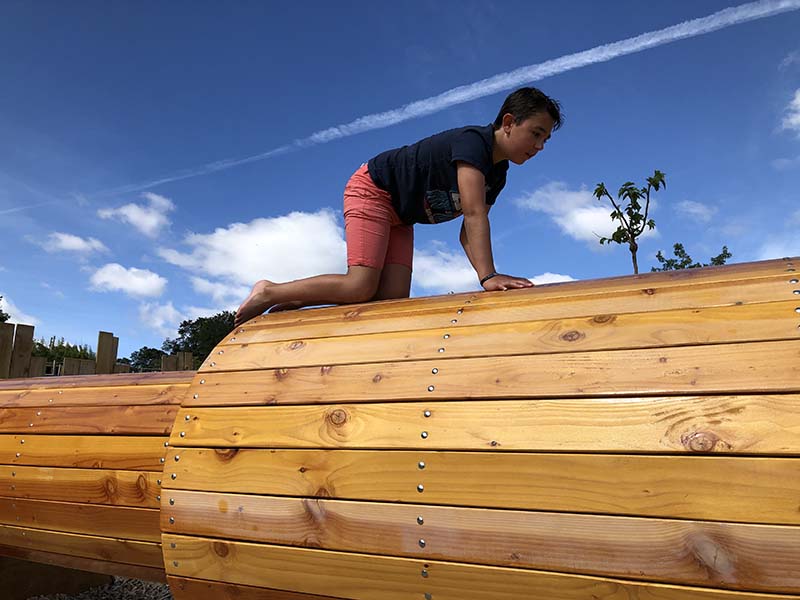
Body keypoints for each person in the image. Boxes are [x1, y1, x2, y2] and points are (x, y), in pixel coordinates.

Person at [234, 86, 563, 327]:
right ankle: (270, 291)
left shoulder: (498, 173)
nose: (539, 146)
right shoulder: (474, 143)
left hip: (402, 217)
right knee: (360, 284)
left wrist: (484, 275)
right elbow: (474, 213)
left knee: (390, 303)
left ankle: (296, 298)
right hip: (374, 189)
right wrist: (488, 276)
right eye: (535, 133)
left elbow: (467, 230)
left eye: (545, 139)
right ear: (508, 122)